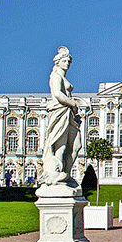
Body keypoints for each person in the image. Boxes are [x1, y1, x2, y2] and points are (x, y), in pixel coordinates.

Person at [39, 46, 82, 186]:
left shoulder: (63, 76)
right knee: (61, 145)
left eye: (69, 61)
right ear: (58, 62)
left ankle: (66, 174)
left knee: (76, 145)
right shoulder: (56, 76)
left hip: (68, 113)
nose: (68, 63)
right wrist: (73, 103)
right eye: (65, 60)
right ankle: (57, 174)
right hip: (60, 111)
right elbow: (57, 94)